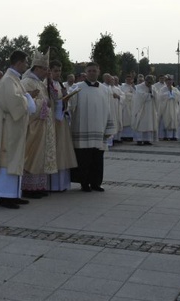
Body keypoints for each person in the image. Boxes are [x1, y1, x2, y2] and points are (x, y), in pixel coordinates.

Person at [0, 50, 37, 209]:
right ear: (19, 63)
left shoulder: (15, 79)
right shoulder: (8, 80)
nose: (26, 66)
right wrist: (27, 98)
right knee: (7, 160)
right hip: (8, 129)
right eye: (25, 62)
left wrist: (25, 97)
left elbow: (17, 98)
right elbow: (12, 102)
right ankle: (5, 196)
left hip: (15, 128)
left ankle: (14, 194)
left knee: (15, 160)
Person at [68, 62, 114, 192]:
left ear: (99, 71)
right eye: (89, 71)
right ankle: (84, 183)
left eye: (94, 70)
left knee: (97, 158)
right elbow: (70, 106)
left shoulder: (105, 89)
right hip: (82, 129)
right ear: (85, 72)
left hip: (100, 128)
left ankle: (96, 183)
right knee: (84, 158)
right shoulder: (77, 88)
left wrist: (109, 128)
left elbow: (109, 109)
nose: (92, 73)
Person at [21, 51, 57, 199]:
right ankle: (28, 188)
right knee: (32, 156)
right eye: (45, 69)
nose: (46, 72)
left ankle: (38, 186)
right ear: (37, 68)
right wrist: (44, 103)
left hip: (43, 125)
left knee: (40, 156)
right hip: (33, 126)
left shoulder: (40, 83)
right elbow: (25, 104)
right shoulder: (26, 82)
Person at [48, 60, 77, 191]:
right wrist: (59, 103)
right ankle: (53, 184)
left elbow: (64, 102)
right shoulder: (47, 85)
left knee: (62, 150)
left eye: (59, 71)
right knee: (54, 150)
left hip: (62, 121)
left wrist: (66, 102)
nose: (58, 73)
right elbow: (48, 103)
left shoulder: (60, 85)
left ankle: (62, 183)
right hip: (52, 122)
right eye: (55, 71)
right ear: (50, 71)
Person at [132, 75, 158, 146]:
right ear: (145, 81)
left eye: (151, 83)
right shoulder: (139, 87)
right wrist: (149, 95)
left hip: (150, 108)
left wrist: (152, 92)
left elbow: (156, 94)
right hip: (142, 108)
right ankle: (139, 140)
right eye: (149, 82)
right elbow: (140, 96)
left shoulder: (152, 87)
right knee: (141, 124)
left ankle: (147, 139)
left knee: (149, 123)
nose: (150, 84)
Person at [157, 75, 180, 141]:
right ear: (166, 81)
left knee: (174, 120)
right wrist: (168, 94)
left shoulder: (175, 89)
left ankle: (174, 135)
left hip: (173, 107)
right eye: (168, 80)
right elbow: (160, 97)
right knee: (165, 120)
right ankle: (165, 135)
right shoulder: (162, 89)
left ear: (172, 81)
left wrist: (172, 93)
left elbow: (179, 96)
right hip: (165, 108)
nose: (169, 82)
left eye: (170, 80)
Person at [119, 75, 136, 141]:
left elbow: (136, 95)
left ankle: (131, 135)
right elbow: (123, 95)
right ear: (125, 80)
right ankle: (124, 136)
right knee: (125, 119)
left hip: (132, 105)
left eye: (130, 80)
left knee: (132, 120)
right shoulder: (122, 87)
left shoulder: (133, 87)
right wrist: (128, 94)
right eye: (127, 79)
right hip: (125, 105)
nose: (129, 81)